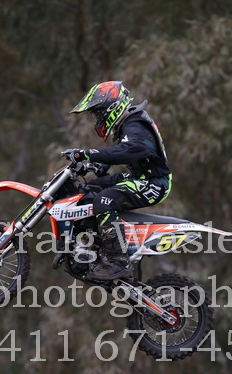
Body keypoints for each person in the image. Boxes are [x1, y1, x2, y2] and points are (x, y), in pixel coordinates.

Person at [63, 81, 172, 281]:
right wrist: (98, 166)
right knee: (89, 188)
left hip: (154, 183)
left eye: (98, 114)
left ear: (111, 108)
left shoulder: (135, 125)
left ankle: (117, 261)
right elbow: (127, 152)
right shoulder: (129, 123)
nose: (97, 119)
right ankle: (94, 245)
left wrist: (87, 154)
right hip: (140, 177)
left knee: (104, 200)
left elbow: (129, 150)